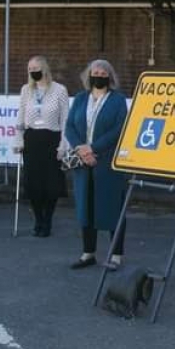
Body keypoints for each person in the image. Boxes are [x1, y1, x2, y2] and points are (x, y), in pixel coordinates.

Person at [65, 59, 128, 270]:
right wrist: (81, 150)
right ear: (88, 75)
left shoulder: (117, 100)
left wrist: (94, 148)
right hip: (83, 163)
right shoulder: (81, 98)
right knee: (86, 208)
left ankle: (116, 255)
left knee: (113, 208)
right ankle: (88, 252)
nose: (98, 75)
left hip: (107, 163)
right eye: (95, 72)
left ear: (109, 77)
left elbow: (119, 129)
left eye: (102, 73)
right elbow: (70, 127)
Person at [13, 56, 69, 237]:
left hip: (51, 138)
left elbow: (65, 120)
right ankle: (38, 219)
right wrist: (19, 140)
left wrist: (63, 145)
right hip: (32, 139)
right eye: (29, 68)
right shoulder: (26, 90)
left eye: (35, 67)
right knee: (33, 184)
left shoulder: (59, 90)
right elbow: (21, 118)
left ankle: (48, 220)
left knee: (51, 184)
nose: (32, 71)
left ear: (44, 68)